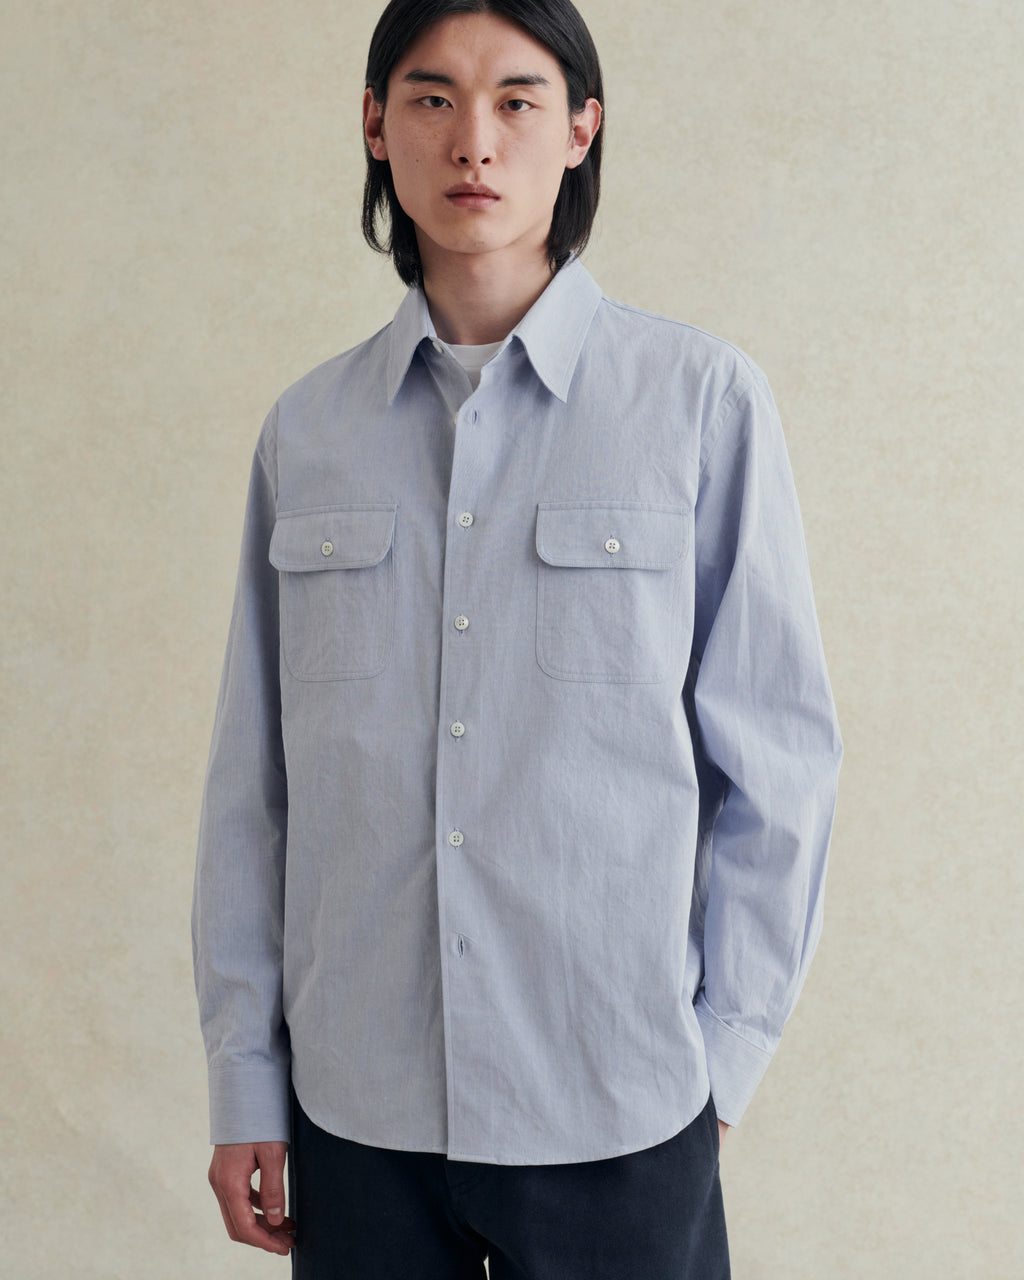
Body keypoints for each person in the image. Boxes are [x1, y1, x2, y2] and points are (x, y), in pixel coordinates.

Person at [192, 0, 842, 1275]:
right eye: (431, 99)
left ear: (581, 129)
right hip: (356, 1107)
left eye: (516, 100)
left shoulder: (700, 402)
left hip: (619, 1100)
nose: (473, 141)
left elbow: (780, 763)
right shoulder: (308, 431)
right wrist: (243, 1075)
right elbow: (251, 789)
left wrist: (724, 1051)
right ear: (375, 125)